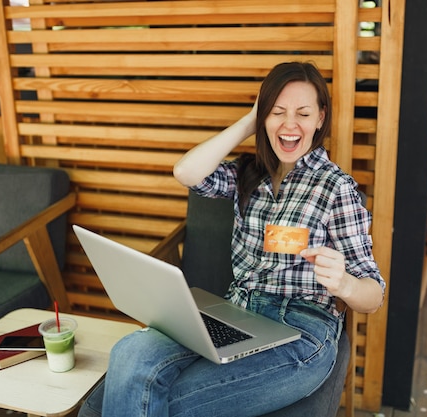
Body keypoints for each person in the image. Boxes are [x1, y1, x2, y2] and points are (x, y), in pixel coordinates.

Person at [78, 61, 385, 417]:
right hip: (234, 313)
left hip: (300, 332)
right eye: (277, 112)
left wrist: (345, 283)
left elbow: (373, 294)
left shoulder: (336, 188)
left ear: (320, 118)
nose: (289, 124)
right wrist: (249, 121)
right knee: (129, 353)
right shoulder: (247, 175)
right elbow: (186, 172)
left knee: (142, 404)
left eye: (303, 113)